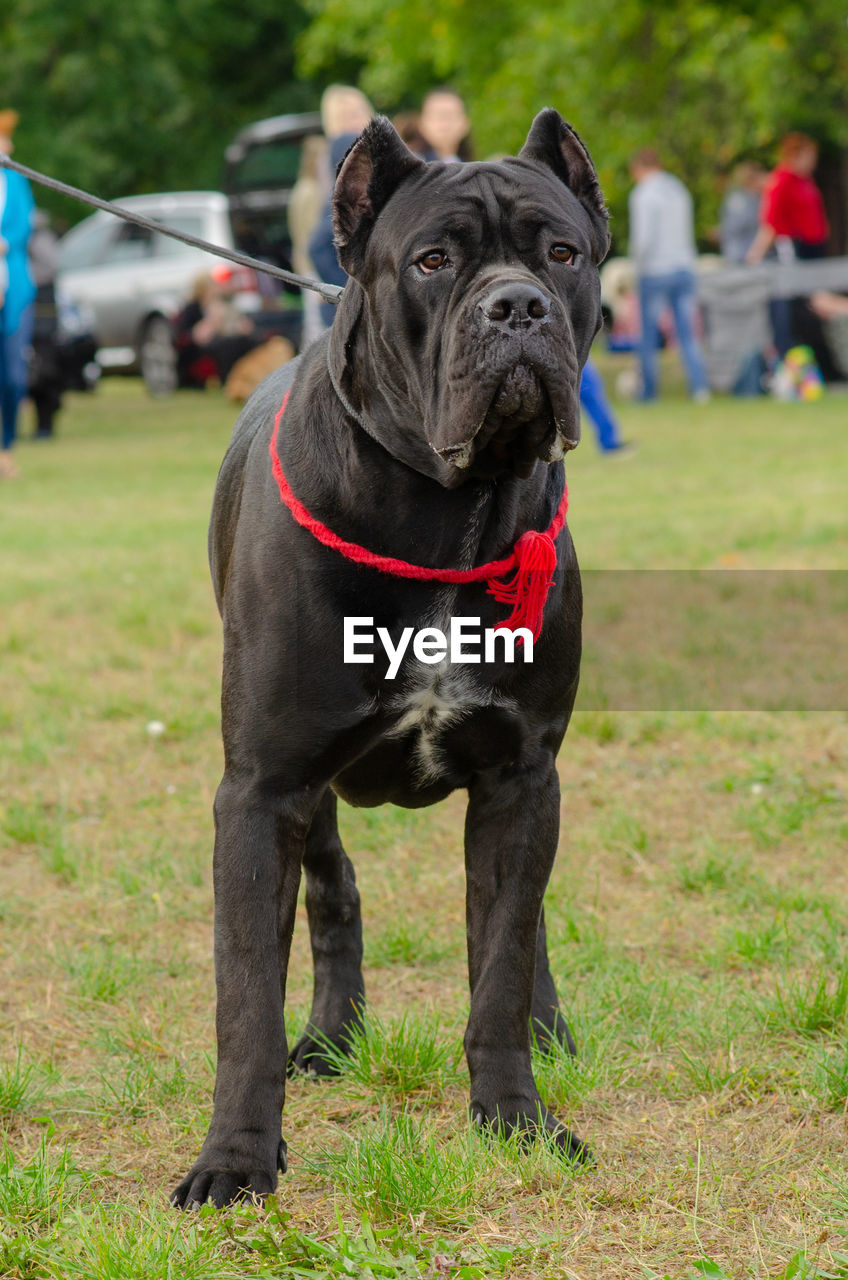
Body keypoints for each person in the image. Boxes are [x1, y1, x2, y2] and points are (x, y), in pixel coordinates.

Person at [628, 147, 710, 403]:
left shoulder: (643, 194)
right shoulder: (678, 189)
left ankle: (649, 392)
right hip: (684, 266)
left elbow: (644, 239)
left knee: (649, 336)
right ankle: (699, 387)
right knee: (687, 333)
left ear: (639, 168)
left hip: (655, 270)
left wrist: (635, 267)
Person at [746, 133, 830, 359]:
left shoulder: (805, 180)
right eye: (809, 156)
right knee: (797, 306)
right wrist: (755, 255)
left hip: (815, 250)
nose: (813, 161)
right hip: (795, 249)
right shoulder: (782, 180)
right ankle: (789, 357)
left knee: (816, 304)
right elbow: (770, 222)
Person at [309, 85, 374, 328]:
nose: (353, 122)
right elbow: (319, 241)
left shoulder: (374, 155)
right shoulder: (341, 150)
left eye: (357, 113)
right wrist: (350, 290)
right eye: (344, 116)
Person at [0, 109, 36, 479]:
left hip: (13, 288)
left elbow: (23, 227)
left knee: (12, 375)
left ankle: (6, 447)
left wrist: (4, 243)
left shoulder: (16, 181)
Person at [288, 134, 329, 347]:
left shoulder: (303, 188)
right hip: (312, 266)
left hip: (306, 263)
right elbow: (312, 236)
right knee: (315, 325)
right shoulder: (310, 192)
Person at [27, 209, 63, 437]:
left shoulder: (40, 240)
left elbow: (51, 267)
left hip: (41, 318)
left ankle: (44, 426)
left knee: (44, 371)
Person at [719, 162, 768, 263]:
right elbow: (734, 226)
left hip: (752, 256)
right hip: (741, 255)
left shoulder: (757, 198)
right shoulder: (738, 200)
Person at [417, 88, 472, 163]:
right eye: (437, 116)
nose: (444, 124)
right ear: (422, 124)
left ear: (466, 123)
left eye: (450, 115)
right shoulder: (411, 169)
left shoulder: (479, 170)